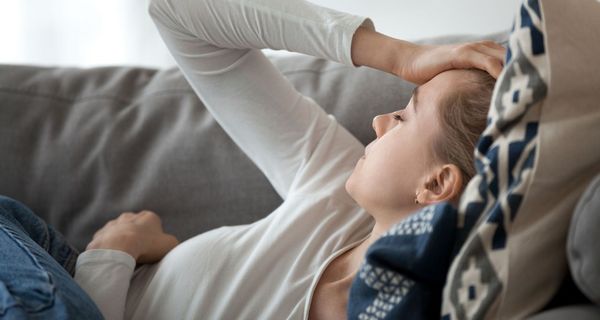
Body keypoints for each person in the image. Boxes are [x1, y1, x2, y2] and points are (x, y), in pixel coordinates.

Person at [0, 0, 504, 319]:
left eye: (405, 116)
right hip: (42, 267)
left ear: (436, 184)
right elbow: (180, 11)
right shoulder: (331, 186)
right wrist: (398, 56)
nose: (377, 121)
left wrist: (110, 257)